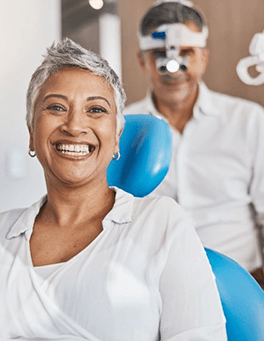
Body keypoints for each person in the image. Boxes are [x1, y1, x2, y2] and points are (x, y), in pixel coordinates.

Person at [0, 38, 226, 340]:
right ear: (31, 132)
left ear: (117, 137)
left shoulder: (160, 223)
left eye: (95, 109)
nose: (74, 125)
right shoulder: (4, 232)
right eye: (56, 107)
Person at [124, 0, 264, 333]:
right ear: (142, 61)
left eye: (186, 54)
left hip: (244, 292)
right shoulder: (122, 131)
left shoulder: (247, 121)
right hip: (149, 298)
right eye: (160, 56)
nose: (174, 67)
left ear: (203, 58)